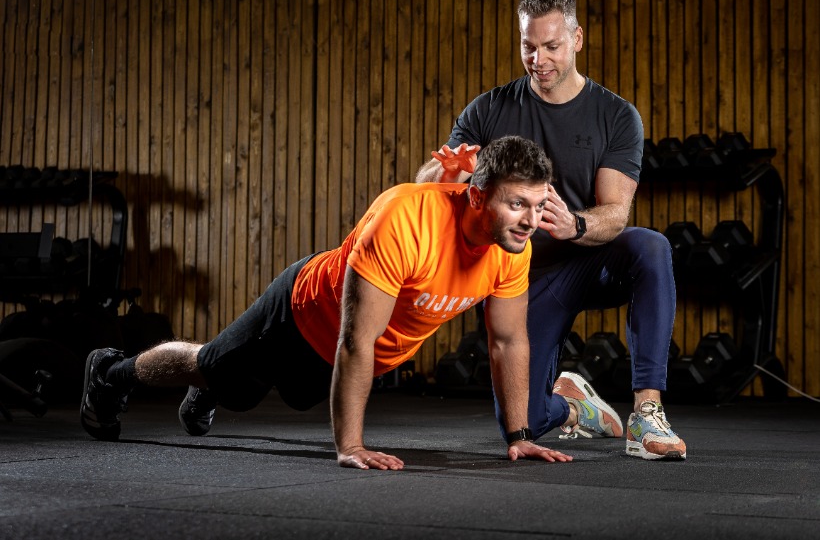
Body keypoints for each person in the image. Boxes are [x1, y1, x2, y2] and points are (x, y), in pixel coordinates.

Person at [81, 135, 579, 470]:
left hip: (336, 356)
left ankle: (216, 382)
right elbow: (356, 338)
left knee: (254, 392)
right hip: (300, 314)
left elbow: (509, 341)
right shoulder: (406, 218)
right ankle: (109, 373)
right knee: (215, 368)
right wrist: (352, 447)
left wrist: (519, 434)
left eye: (538, 205)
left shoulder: (512, 248)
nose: (531, 220)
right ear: (476, 197)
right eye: (517, 204)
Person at [416, 0, 686, 461]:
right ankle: (573, 407)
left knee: (651, 247)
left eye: (551, 46)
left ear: (577, 39)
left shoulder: (617, 116)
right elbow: (429, 184)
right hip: (523, 279)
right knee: (524, 425)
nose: (538, 59)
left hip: (590, 259)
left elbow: (615, 214)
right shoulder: (489, 109)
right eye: (528, 46)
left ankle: (647, 411)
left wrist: (574, 226)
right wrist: (447, 170)